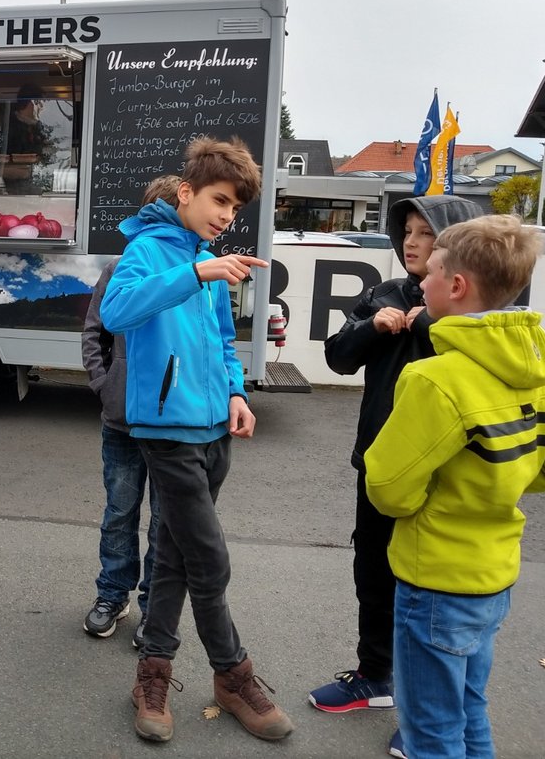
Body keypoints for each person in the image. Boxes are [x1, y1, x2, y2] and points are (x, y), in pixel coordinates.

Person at [101, 137, 293, 745]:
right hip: (166, 433)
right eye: (219, 200)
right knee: (209, 560)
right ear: (186, 192)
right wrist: (192, 273)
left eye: (234, 208)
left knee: (176, 558)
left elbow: (221, 340)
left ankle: (151, 675)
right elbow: (115, 312)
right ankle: (234, 677)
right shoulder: (149, 250)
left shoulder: (209, 260)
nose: (226, 215)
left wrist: (236, 394)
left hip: (215, 432)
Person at [365, 215, 545, 759]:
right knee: (471, 707)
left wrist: (434, 503)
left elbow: (388, 486)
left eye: (430, 272)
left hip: (436, 578)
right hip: (494, 573)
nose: (421, 280)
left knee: (431, 734)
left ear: (455, 286)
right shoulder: (542, 372)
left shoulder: (435, 378)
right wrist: (496, 485)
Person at [310, 195, 481, 750]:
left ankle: (427, 718)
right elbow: (337, 357)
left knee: (427, 598)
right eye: (406, 231)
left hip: (440, 477)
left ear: (453, 245)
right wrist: (373, 327)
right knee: (373, 573)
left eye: (425, 233)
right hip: (378, 467)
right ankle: (374, 676)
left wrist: (427, 321)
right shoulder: (383, 294)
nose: (411, 242)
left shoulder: (467, 308)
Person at [80, 176, 177, 645]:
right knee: (119, 512)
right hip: (120, 419)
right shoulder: (119, 268)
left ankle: (154, 609)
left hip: (172, 424)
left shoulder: (194, 272)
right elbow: (93, 332)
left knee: (164, 522)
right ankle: (111, 596)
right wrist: (104, 385)